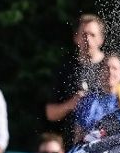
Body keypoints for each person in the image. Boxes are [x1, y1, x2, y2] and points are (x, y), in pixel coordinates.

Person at [46, 14, 107, 143]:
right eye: (84, 34)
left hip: (108, 144)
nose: (87, 39)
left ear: (101, 39)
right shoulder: (65, 69)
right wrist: (71, 104)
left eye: (92, 35)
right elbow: (50, 113)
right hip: (73, 144)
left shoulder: (113, 68)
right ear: (76, 38)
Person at [72, 53, 120, 142]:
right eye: (106, 68)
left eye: (114, 68)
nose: (110, 72)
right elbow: (78, 136)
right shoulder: (87, 101)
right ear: (99, 73)